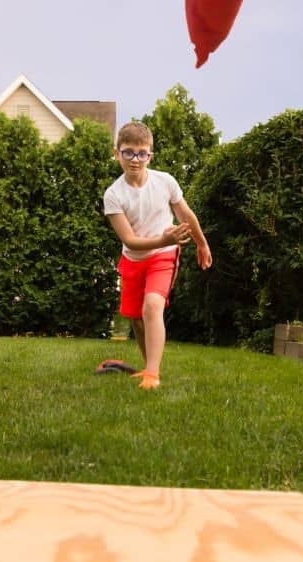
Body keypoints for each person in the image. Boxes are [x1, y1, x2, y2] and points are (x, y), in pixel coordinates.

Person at [102, 122, 212, 389]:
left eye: (142, 153)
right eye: (128, 152)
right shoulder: (113, 195)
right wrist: (164, 237)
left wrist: (202, 244)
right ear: (116, 153)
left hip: (164, 255)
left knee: (152, 306)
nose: (135, 160)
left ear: (150, 155)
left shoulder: (165, 182)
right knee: (136, 318)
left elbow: (186, 215)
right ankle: (147, 366)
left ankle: (152, 374)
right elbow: (129, 240)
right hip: (133, 259)